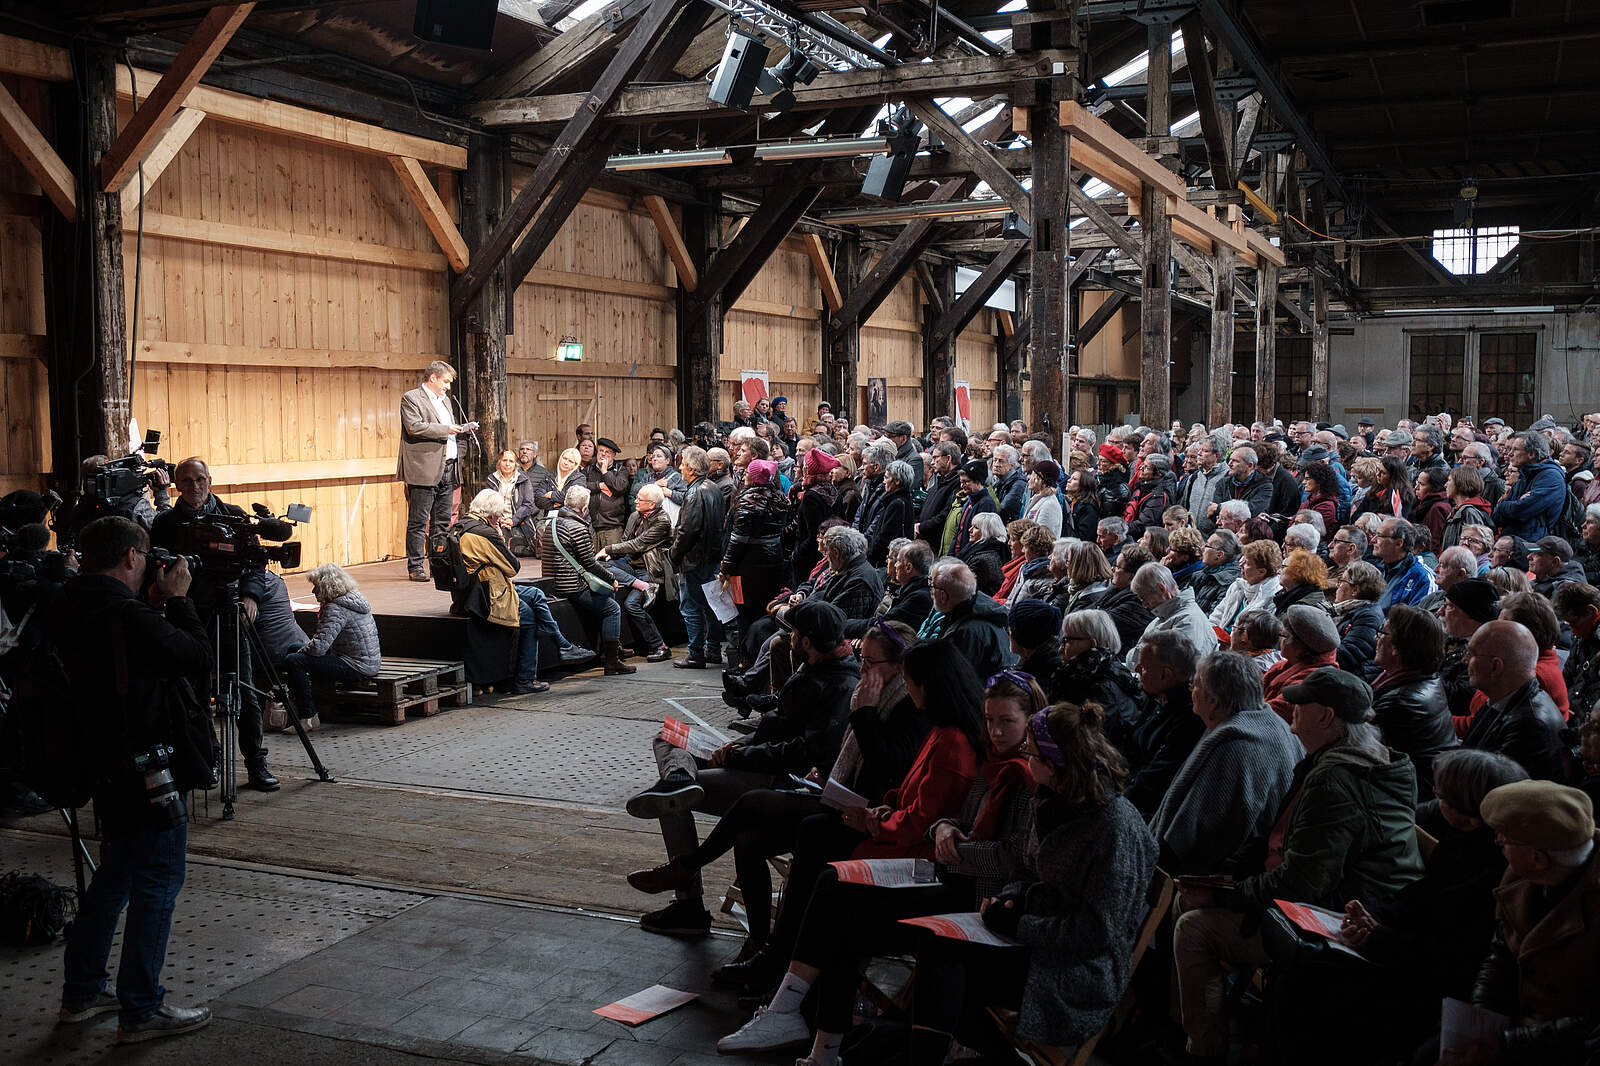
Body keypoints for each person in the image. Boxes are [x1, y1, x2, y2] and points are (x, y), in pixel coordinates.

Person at [631, 620, 925, 973]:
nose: (863, 667)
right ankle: (758, 942)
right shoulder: (843, 682)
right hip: (819, 785)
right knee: (742, 833)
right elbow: (828, 747)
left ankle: (688, 870)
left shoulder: (887, 703)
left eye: (871, 663)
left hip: (846, 809)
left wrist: (861, 714)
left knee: (750, 805)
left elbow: (877, 765)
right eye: (862, 659)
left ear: (899, 666)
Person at [1173, 666, 1423, 1064]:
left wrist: (1228, 897)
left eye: (1301, 703)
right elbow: (1277, 836)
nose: (1290, 708)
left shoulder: (1336, 780)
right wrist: (1229, 878)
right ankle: (1196, 1022)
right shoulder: (1354, 760)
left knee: (1193, 926)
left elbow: (1303, 884)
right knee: (1187, 900)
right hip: (1341, 899)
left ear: (1325, 717)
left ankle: (1205, 1049)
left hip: (1338, 918)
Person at [893, 702, 1156, 1064]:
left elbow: (1096, 933)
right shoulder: (1052, 799)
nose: (1025, 758)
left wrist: (1021, 923)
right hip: (1036, 940)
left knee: (945, 967)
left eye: (1029, 752)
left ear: (1053, 763)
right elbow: (1025, 865)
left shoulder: (1113, 828)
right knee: (936, 947)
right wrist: (1009, 901)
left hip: (1074, 969)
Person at [53, 516, 214, 1043]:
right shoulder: (128, 614)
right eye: (143, 557)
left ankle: (81, 994)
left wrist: (153, 606)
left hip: (98, 765)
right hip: (148, 768)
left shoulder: (68, 602)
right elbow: (195, 656)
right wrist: (179, 600)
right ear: (129, 558)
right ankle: (140, 1008)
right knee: (158, 882)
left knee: (114, 877)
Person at [626, 601, 861, 939]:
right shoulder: (816, 667)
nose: (788, 636)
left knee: (671, 803)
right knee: (668, 739)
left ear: (807, 640)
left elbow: (799, 754)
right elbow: (780, 726)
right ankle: (679, 778)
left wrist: (740, 755)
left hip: (776, 777)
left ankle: (689, 904)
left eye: (794, 632)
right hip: (754, 754)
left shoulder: (838, 685)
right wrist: (741, 745)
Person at [1447, 779, 1599, 1066]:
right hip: (1515, 1026)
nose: (1499, 845)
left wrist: (1504, 1046)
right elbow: (1501, 951)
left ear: (1538, 858)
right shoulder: (1520, 877)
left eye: (1503, 840)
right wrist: (1481, 1017)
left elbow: (1591, 1023)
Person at [149, 458, 275, 791]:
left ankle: (256, 764)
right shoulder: (165, 523)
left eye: (200, 479)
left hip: (231, 610)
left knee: (245, 692)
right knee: (196, 693)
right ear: (177, 485)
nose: (194, 487)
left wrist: (251, 597)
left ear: (210, 480)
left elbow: (257, 565)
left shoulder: (234, 516)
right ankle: (210, 759)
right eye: (186, 481)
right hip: (188, 615)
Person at [1150, 651, 1301, 875]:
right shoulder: (1273, 722)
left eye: (1196, 685)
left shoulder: (1233, 746)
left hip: (1232, 873)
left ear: (1213, 701)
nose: (1192, 691)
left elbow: (1191, 839)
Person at [454, 490, 584, 693]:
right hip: (487, 594)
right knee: (530, 618)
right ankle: (525, 679)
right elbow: (512, 567)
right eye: (498, 514)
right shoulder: (484, 533)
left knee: (537, 595)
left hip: (471, 590)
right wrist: (499, 536)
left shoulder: (460, 526)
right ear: (493, 513)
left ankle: (563, 644)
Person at [1369, 605, 1460, 797]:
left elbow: (1368, 760)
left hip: (1409, 798)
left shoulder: (1400, 703)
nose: (1376, 639)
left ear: (1397, 647)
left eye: (1381, 633)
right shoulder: (1426, 678)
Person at [1461, 620, 1569, 781]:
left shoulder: (1528, 727)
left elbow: (1481, 791)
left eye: (1471, 653)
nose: (1464, 661)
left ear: (1496, 666)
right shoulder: (1502, 699)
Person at [281, 563, 381, 727]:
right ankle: (307, 703)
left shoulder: (336, 608)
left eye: (316, 587)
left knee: (293, 660)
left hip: (355, 666)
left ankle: (308, 716)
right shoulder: (352, 598)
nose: (313, 591)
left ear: (327, 586)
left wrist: (303, 650)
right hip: (367, 661)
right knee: (294, 650)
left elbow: (319, 648)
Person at [397, 360, 471, 581]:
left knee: (442, 521)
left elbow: (450, 429)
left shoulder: (445, 400)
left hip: (447, 468)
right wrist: (446, 429)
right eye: (446, 381)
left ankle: (439, 563)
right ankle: (416, 566)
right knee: (419, 520)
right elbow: (414, 427)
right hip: (424, 468)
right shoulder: (412, 398)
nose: (448, 387)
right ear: (433, 378)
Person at [1125, 629, 1204, 814]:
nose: (1137, 670)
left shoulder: (1190, 717)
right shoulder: (1155, 696)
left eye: (1143, 666)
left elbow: (1157, 778)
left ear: (1165, 675)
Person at [596, 484, 675, 663]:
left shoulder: (662, 521)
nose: (636, 501)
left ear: (652, 504)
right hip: (630, 565)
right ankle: (643, 587)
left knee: (632, 605)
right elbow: (625, 541)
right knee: (600, 566)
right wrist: (611, 554)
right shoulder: (634, 516)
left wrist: (609, 548)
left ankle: (660, 646)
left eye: (640, 499)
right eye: (637, 497)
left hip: (649, 569)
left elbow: (638, 544)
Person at [671, 446, 728, 670]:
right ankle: (712, 649)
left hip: (694, 560)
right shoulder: (713, 487)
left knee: (691, 607)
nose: (680, 467)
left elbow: (687, 531)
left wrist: (674, 554)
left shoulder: (695, 492)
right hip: (711, 557)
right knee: (711, 605)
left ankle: (695, 654)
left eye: (683, 464)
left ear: (692, 469)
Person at [918, 559, 1012, 679]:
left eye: (932, 586)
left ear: (943, 595)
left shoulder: (964, 634)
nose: (930, 592)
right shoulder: (981, 608)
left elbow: (952, 680)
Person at [1128, 561, 1218, 670]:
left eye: (1144, 598)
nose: (1144, 605)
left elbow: (1170, 670)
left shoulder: (1188, 620)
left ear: (1161, 588)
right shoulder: (1164, 616)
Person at [1262, 604, 1341, 721]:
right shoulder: (1286, 664)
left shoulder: (1308, 685)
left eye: (1283, 635)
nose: (1279, 639)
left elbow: (1266, 718)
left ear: (1298, 645)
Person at [844, 539, 934, 640]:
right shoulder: (913, 590)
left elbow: (883, 624)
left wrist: (843, 625)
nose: (895, 565)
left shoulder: (919, 598)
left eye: (899, 561)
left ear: (909, 568)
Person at [1493, 430, 1568, 541]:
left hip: (1532, 546)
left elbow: (1519, 511)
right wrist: (1511, 505)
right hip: (1513, 541)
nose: (1509, 454)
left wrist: (1506, 506)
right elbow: (1497, 515)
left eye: (1515, 449)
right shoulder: (1525, 474)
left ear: (1532, 454)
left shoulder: (1551, 477)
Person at [1208, 538, 1283, 638]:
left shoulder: (1273, 599)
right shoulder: (1237, 586)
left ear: (1261, 572)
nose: (1240, 564)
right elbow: (1215, 618)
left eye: (1247, 563)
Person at [1331, 559, 1385, 682]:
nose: (1337, 586)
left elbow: (1347, 656)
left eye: (1341, 581)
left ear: (1355, 590)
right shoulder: (1345, 611)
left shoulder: (1369, 617)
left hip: (1350, 680)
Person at [1373, 517, 1437, 608]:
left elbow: (1419, 619)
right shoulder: (1376, 570)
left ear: (1399, 543)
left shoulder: (1423, 578)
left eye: (1379, 536)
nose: (1373, 540)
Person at [485, 448, 540, 556]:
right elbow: (488, 503)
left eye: (511, 461)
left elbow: (528, 505)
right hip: (497, 520)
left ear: (515, 464)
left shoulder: (523, 480)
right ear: (499, 462)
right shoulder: (492, 479)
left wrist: (512, 520)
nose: (507, 464)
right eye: (504, 460)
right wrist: (499, 519)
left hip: (518, 520)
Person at [1191, 529, 1243, 616]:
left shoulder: (1228, 582)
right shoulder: (1200, 574)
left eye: (1207, 545)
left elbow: (1214, 617)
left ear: (1219, 555)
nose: (1202, 548)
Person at [1274, 548, 1330, 617]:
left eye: (1283, 567)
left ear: (1297, 572)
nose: (1278, 571)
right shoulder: (1295, 597)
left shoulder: (1305, 608)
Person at [1023, 459, 1064, 536]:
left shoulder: (1049, 505)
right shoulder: (1038, 499)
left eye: (1032, 474)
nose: (1029, 477)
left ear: (1038, 479)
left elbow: (1042, 539)